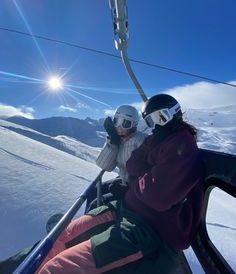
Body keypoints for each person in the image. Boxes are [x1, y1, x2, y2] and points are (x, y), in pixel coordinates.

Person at [1, 94, 205, 274]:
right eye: (151, 121)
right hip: (126, 209)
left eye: (161, 117)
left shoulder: (181, 145)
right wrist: (130, 160)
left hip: (148, 231)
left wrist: (138, 178)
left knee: (56, 269)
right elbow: (133, 162)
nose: (157, 125)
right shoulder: (158, 140)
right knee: (60, 238)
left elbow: (156, 196)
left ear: (175, 114)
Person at [85, 104, 147, 212]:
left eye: (125, 123)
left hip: (136, 187)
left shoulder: (142, 141)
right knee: (92, 192)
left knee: (96, 204)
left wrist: (130, 187)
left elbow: (148, 171)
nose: (119, 127)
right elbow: (105, 165)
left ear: (134, 125)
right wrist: (113, 143)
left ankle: (89, 226)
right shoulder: (117, 139)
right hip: (122, 180)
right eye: (116, 121)